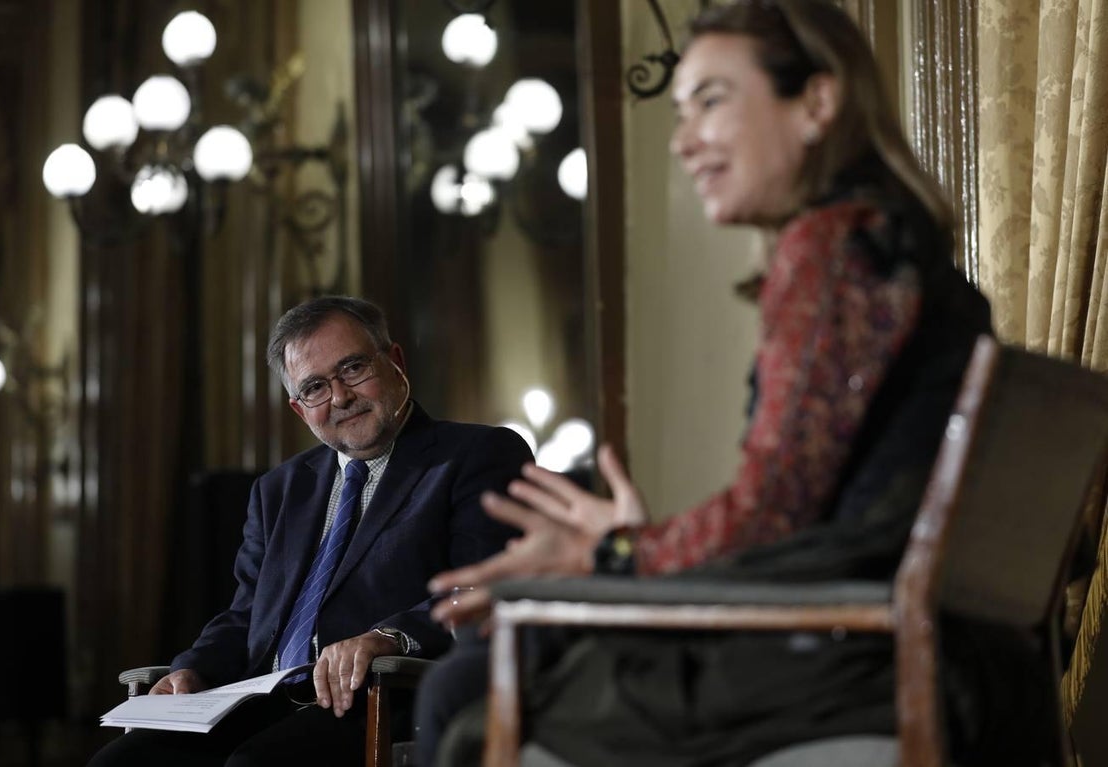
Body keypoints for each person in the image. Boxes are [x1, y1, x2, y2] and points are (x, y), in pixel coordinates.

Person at [419, 2, 1050, 764]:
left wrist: (615, 553)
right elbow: (804, 518)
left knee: (464, 693)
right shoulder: (892, 241)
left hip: (853, 661)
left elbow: (767, 515)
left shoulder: (832, 247)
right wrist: (639, 548)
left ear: (817, 101)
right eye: (679, 112)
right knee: (490, 668)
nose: (683, 141)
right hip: (936, 653)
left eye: (711, 102)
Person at [87, 295, 532, 767]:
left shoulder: (476, 455)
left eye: (353, 368)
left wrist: (389, 636)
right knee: (119, 763)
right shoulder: (278, 489)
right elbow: (247, 615)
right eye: (315, 387)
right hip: (259, 699)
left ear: (396, 362)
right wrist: (193, 669)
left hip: (379, 695)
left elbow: (484, 588)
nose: (340, 397)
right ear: (300, 410)